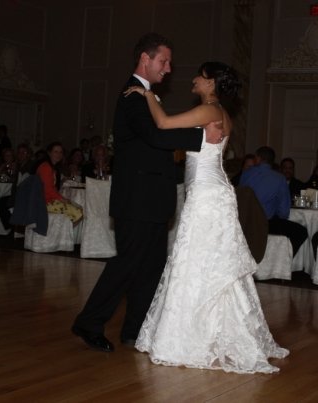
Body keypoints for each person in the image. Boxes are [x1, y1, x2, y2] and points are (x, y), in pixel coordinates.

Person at [123, 61, 288, 373]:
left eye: (200, 76)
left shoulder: (209, 111)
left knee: (197, 260)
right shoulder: (221, 113)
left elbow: (163, 123)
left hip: (207, 194)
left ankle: (193, 338)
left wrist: (147, 95)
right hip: (214, 191)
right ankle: (211, 333)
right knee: (211, 263)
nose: (195, 79)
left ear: (211, 83)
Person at [71, 33, 223, 354]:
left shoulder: (146, 95)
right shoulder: (132, 95)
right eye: (163, 61)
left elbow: (156, 140)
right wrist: (200, 138)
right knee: (128, 262)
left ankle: (136, 330)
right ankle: (89, 321)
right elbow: (156, 136)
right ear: (145, 59)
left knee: (151, 267)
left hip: (151, 198)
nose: (168, 68)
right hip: (137, 197)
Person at [240, 146, 308, 255]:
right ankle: (282, 258)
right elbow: (284, 213)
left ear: (258, 158)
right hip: (265, 224)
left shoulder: (246, 174)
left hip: (245, 222)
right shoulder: (280, 178)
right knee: (301, 232)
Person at [35, 142, 83, 224]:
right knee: (78, 212)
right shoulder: (46, 167)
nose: (59, 154)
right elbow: (48, 189)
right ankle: (64, 231)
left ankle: (63, 230)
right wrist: (61, 199)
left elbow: (53, 188)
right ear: (49, 153)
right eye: (56, 152)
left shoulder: (52, 167)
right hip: (44, 202)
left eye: (61, 152)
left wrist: (62, 198)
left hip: (49, 199)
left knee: (79, 207)